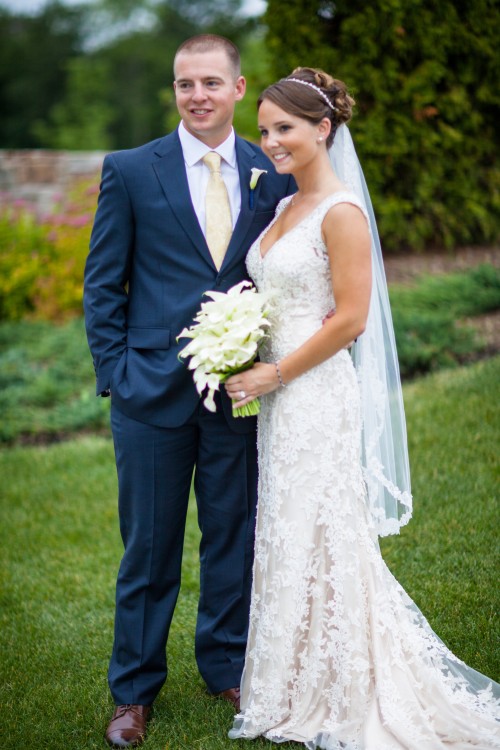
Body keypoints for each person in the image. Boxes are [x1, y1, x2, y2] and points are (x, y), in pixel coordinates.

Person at [225, 68, 500, 748]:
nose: (271, 142)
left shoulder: (339, 211)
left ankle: (346, 682)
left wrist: (274, 374)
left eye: (284, 128)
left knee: (322, 527)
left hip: (312, 392)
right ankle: (292, 681)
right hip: (279, 392)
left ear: (323, 129)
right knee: (290, 528)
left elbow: (350, 319)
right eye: (263, 131)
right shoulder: (285, 206)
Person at [83, 34, 294, 748]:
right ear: (174, 92)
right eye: (184, 84)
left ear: (239, 89)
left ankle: (227, 666)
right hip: (150, 392)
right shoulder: (132, 170)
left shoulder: (274, 171)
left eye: (210, 82)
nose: (196, 95)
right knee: (149, 546)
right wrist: (117, 372)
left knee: (232, 534)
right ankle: (134, 691)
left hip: (238, 394)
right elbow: (103, 281)